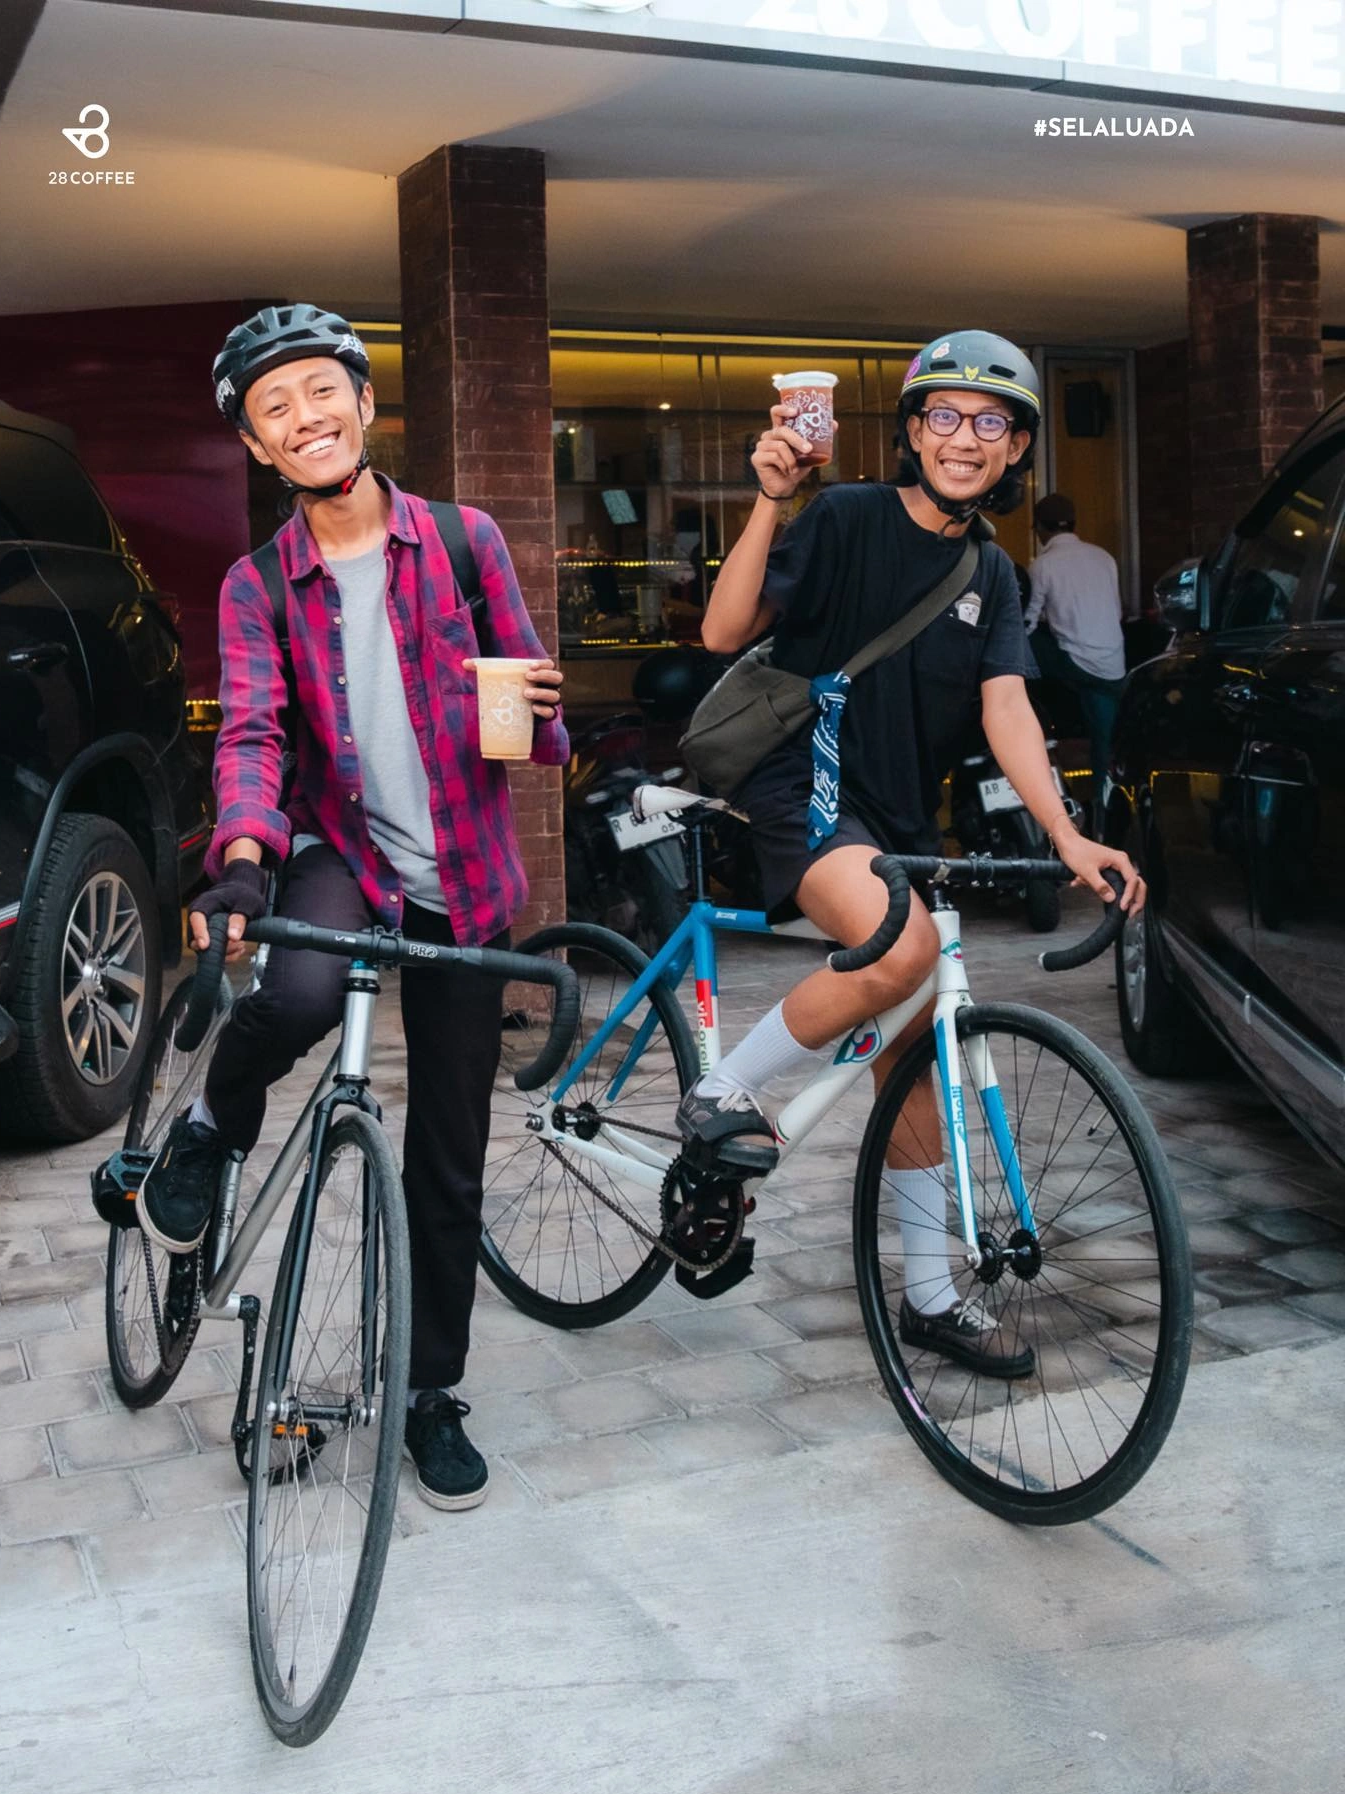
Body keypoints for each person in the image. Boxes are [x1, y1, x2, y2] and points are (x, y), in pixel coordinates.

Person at [136, 304, 568, 1510]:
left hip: (464, 883)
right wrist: (241, 857)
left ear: (366, 405)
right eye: (274, 408)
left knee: (449, 1157)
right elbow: (255, 735)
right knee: (296, 994)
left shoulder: (466, 540)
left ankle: (429, 1391)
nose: (305, 418)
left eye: (322, 391)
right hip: (346, 851)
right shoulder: (258, 584)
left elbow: (535, 717)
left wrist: (539, 711)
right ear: (256, 445)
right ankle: (214, 1123)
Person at [674, 331, 1144, 1379]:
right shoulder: (846, 515)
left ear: (1017, 447)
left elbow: (1008, 707)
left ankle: (930, 1295)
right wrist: (771, 500)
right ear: (913, 431)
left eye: (991, 421)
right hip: (803, 787)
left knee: (915, 1059)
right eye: (944, 414)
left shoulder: (992, 571)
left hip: (898, 820)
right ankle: (724, 1094)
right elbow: (721, 630)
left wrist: (1067, 831)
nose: (964, 437)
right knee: (905, 945)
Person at [1024, 492, 1127, 819]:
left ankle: (1029, 720)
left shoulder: (1043, 565)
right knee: (1103, 738)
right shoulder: (1104, 558)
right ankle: (1103, 805)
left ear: (1040, 528)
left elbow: (1027, 621)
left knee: (1022, 643)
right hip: (1113, 663)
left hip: (1075, 663)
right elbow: (1116, 612)